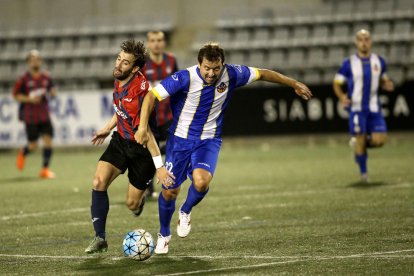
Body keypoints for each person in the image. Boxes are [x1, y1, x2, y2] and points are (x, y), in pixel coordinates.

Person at [135, 43, 312, 254]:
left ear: (222, 64)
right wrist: (143, 127)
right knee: (170, 190)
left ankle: (186, 210)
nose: (211, 73)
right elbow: (151, 96)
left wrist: (293, 84)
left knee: (201, 182)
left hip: (209, 140)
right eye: (207, 68)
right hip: (179, 141)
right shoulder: (184, 78)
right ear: (199, 64)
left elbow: (263, 74)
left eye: (216, 68)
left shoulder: (233, 74)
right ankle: (164, 234)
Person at [84, 39, 175, 254]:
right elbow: (120, 110)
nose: (118, 64)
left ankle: (139, 201)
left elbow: (148, 135)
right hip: (120, 142)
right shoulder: (121, 78)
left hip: (141, 151)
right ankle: (100, 238)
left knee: (132, 205)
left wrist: (159, 166)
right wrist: (107, 128)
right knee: (98, 181)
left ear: (135, 69)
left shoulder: (138, 95)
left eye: (125, 63)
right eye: (118, 59)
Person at [333, 29, 395, 182]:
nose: (364, 42)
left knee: (380, 141)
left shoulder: (379, 61)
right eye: (361, 39)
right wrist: (341, 96)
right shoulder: (349, 63)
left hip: (374, 108)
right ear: (356, 42)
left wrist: (386, 84)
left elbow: (383, 78)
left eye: (366, 39)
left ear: (371, 41)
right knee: (360, 137)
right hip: (357, 108)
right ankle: (364, 174)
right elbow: (336, 83)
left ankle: (359, 145)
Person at [142, 30, 179, 198]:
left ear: (164, 42)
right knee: (150, 151)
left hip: (169, 115)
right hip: (150, 117)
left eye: (159, 40)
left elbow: (180, 86)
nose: (156, 43)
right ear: (148, 43)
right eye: (153, 40)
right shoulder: (142, 64)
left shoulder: (171, 61)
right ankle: (148, 187)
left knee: (173, 148)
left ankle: (169, 183)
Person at [13, 50, 57, 179]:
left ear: (41, 61)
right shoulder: (23, 79)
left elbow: (52, 89)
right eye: (32, 59)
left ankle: (45, 169)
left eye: (37, 59)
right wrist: (29, 99)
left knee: (48, 141)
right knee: (33, 145)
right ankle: (23, 152)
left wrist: (53, 92)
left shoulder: (46, 77)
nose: (35, 61)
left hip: (44, 114)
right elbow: (16, 95)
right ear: (28, 62)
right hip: (30, 116)